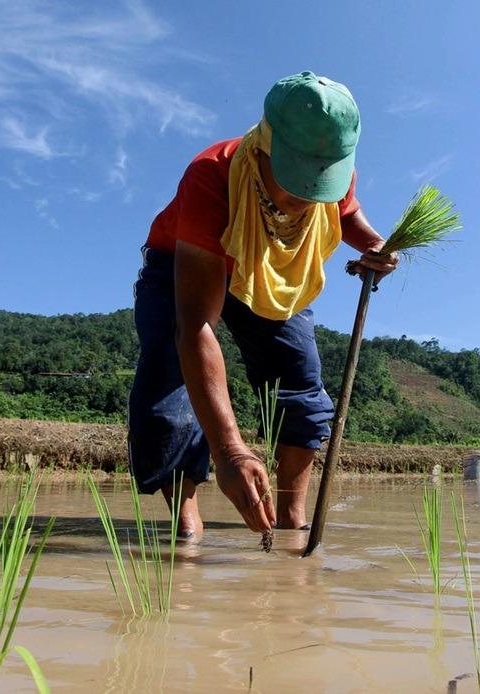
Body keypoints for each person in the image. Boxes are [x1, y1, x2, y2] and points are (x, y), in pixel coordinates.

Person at [128, 71, 397, 540]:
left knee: (299, 377)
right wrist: (231, 452)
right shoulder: (213, 175)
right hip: (184, 261)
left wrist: (373, 243)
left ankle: (292, 519)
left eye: (319, 186)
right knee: (168, 381)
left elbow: (347, 212)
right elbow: (197, 329)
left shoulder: (332, 175)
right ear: (264, 146)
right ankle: (185, 525)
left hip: (272, 268)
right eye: (293, 183)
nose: (303, 200)